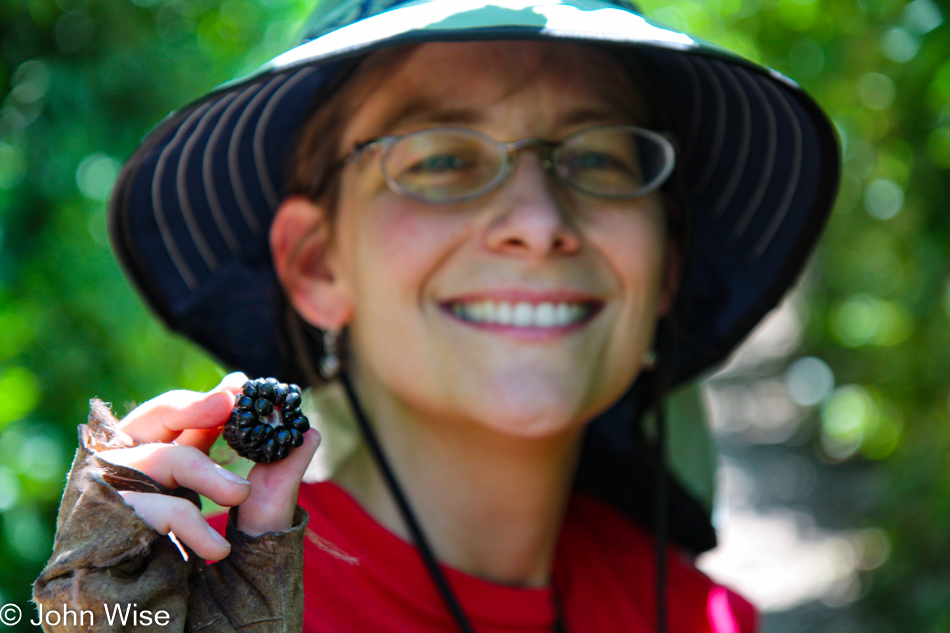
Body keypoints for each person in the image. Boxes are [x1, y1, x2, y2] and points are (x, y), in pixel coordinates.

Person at [33, 1, 840, 632]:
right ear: (317, 263)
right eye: (443, 158)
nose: (537, 218)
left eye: (598, 157)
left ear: (665, 263)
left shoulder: (705, 616)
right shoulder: (195, 603)